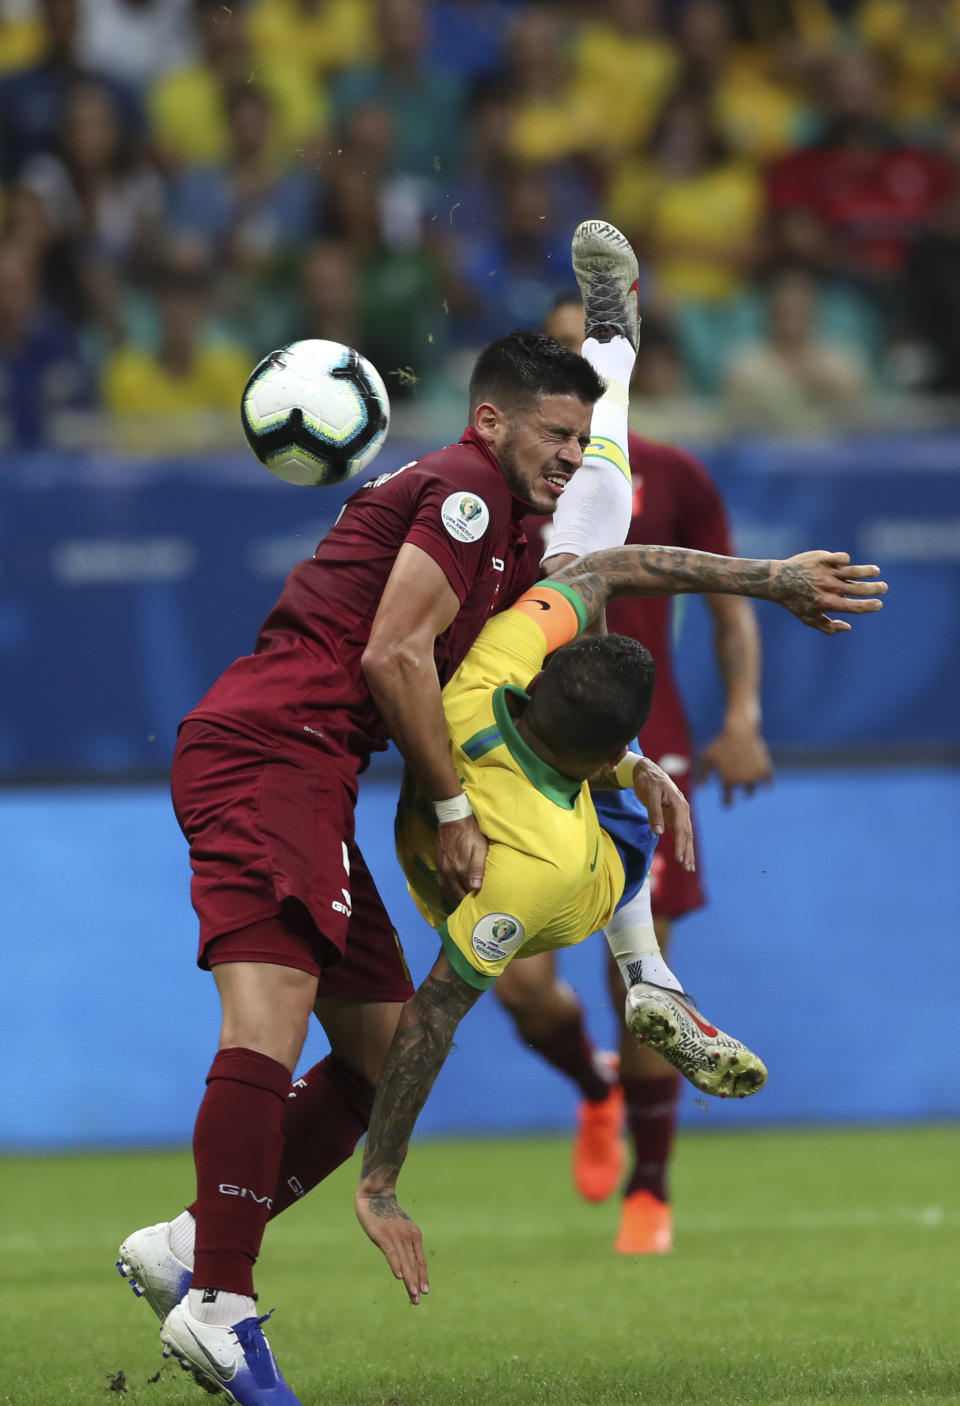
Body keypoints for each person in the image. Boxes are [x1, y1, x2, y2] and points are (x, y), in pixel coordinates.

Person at [115, 221, 885, 1403]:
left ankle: (187, 1246)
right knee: (266, 1013)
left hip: (316, 768)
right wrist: (453, 799)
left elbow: (607, 572)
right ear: (490, 420)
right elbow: (392, 656)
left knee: (375, 1059)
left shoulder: (523, 516)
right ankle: (219, 1298)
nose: (571, 457)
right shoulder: (472, 492)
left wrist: (756, 595)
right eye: (559, 433)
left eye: (586, 436)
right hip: (271, 749)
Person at [355, 541, 887, 1308]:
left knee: (522, 971)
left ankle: (639, 995)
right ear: (606, 748)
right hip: (543, 885)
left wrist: (380, 1175)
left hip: (452, 827)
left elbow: (602, 568)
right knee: (625, 837)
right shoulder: (547, 868)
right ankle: (645, 971)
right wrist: (379, 1182)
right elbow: (430, 1016)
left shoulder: (491, 669)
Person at [495, 290, 773, 1256]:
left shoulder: (671, 474)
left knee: (637, 985)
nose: (587, 368)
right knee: (524, 988)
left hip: (647, 751)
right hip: (525, 753)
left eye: (599, 348)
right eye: (568, 351)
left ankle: (650, 1193)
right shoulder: (509, 484)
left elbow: (726, 604)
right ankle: (594, 1088)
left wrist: (743, 718)